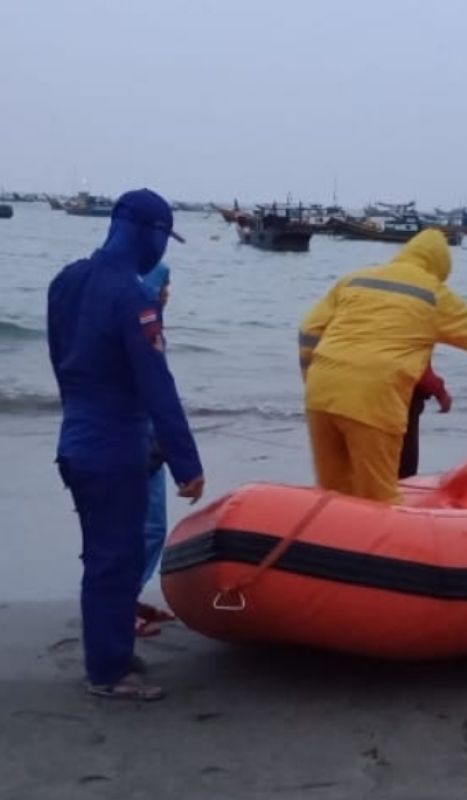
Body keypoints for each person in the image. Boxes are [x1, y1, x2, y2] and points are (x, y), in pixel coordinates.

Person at [48, 189, 205, 701]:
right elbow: (155, 383)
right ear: (151, 232)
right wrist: (186, 463)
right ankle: (108, 674)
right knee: (115, 559)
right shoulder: (132, 297)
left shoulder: (65, 282)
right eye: (165, 237)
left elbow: (63, 362)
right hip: (115, 449)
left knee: (104, 554)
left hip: (76, 442)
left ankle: (111, 649)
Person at [299, 229, 467, 502]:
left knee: (332, 492)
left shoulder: (355, 279)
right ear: (440, 267)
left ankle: (323, 540)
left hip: (320, 393)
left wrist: (311, 375)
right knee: (379, 499)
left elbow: (309, 330)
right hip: (373, 400)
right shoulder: (432, 295)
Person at [135, 262, 178, 637]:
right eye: (163, 285)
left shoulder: (153, 326)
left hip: (152, 439)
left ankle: (127, 598)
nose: (167, 292)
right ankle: (119, 607)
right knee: (141, 527)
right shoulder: (138, 326)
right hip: (136, 440)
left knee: (152, 526)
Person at [398, 363, 452, 479]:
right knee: (404, 463)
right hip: (402, 400)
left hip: (360, 397)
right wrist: (441, 394)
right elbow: (421, 371)